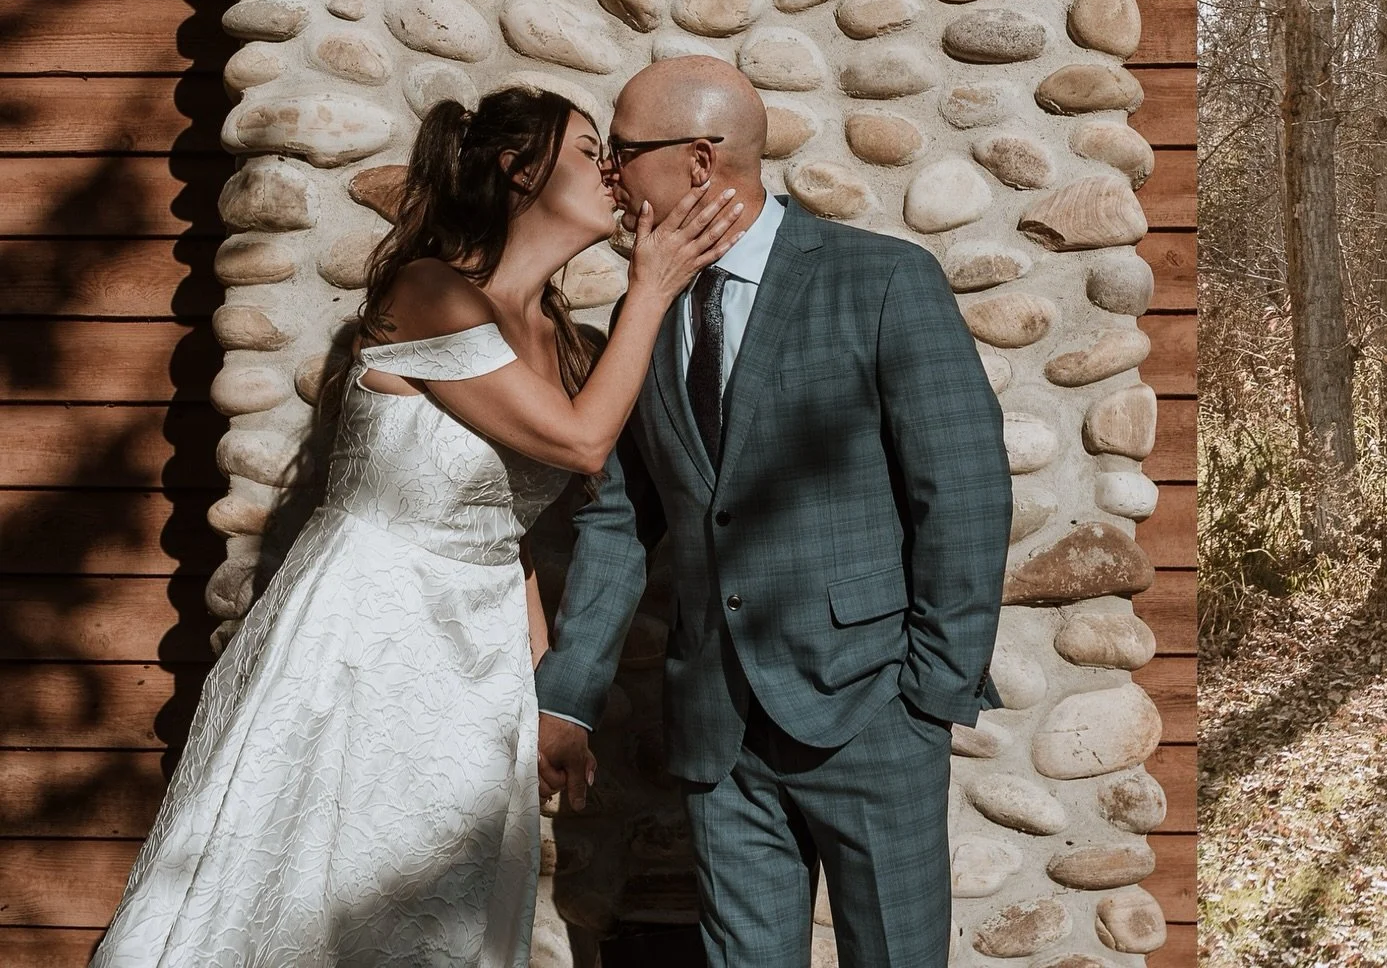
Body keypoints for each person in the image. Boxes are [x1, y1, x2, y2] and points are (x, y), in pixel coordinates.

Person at [93, 85, 746, 968]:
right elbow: (585, 442)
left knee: (442, 906)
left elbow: (503, 530)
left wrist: (550, 696)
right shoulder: (432, 290)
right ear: (519, 172)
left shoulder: (562, 342)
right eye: (588, 150)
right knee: (312, 886)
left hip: (476, 660)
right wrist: (654, 288)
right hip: (365, 636)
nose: (611, 172)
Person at [534, 59, 1012, 968]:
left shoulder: (881, 281)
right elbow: (620, 520)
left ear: (701, 162)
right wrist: (572, 692)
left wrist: (929, 693)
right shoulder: (648, 313)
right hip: (718, 724)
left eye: (624, 152)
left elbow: (964, 489)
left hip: (873, 709)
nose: (609, 175)